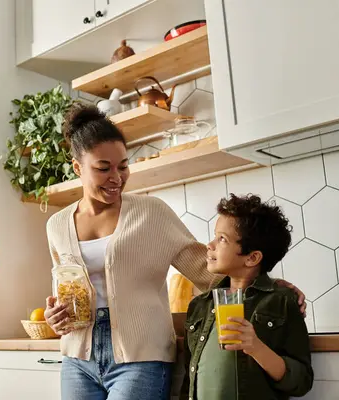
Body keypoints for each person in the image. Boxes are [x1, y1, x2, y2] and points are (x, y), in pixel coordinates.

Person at [43, 104, 307, 400]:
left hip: (141, 357)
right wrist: (55, 315)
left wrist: (268, 286)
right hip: (77, 358)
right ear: (78, 167)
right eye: (103, 168)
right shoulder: (57, 225)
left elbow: (208, 272)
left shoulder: (151, 213)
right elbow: (66, 289)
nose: (116, 177)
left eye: (123, 166)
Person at [181, 194, 313, 400]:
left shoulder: (281, 300)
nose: (210, 245)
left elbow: (301, 381)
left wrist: (256, 347)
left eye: (222, 239)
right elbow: (189, 379)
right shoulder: (200, 304)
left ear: (252, 258)